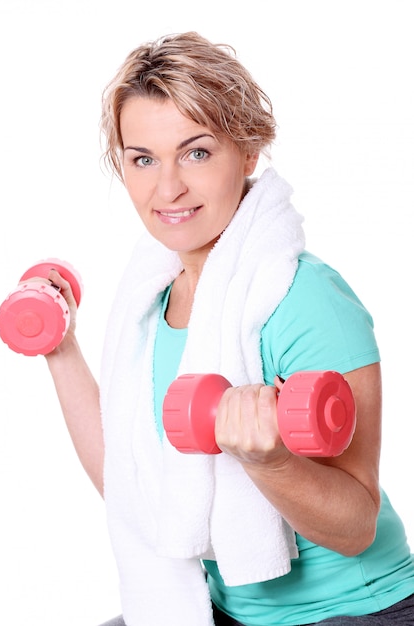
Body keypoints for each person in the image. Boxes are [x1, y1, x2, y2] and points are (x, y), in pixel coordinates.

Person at [42, 32, 414, 625]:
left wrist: (270, 463)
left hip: (352, 608)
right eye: (143, 159)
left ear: (247, 152)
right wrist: (60, 351)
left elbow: (355, 525)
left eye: (196, 152)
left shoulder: (302, 298)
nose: (168, 189)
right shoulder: (151, 302)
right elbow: (130, 483)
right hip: (223, 604)